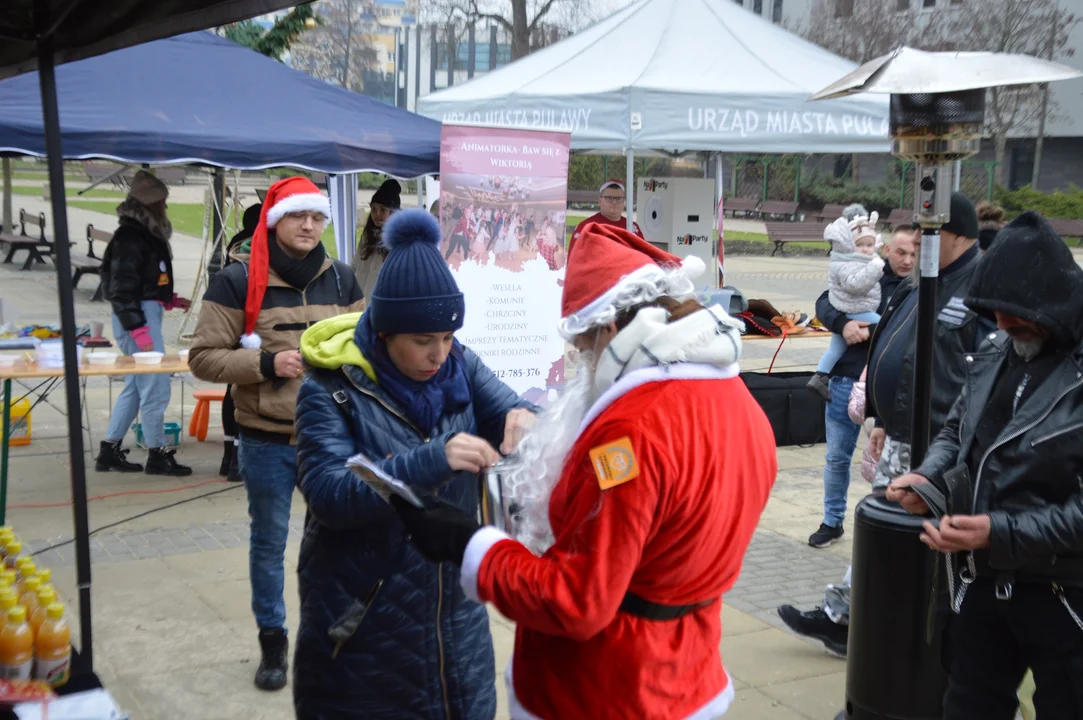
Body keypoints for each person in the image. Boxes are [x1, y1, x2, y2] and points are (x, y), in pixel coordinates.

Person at [392, 222, 778, 720]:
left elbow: (577, 601)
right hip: (686, 669)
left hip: (606, 686)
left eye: (583, 343)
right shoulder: (737, 401)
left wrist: (472, 546)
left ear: (612, 330)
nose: (582, 357)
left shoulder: (629, 433)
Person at [291, 209, 536, 719]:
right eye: (423, 341)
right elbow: (331, 495)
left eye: (447, 339)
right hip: (365, 627)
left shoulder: (460, 365)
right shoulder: (330, 390)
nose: (439, 355)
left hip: (457, 627)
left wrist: (526, 417)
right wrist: (430, 460)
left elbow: (519, 407)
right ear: (383, 334)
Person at [887, 211, 1083, 720]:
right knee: (969, 705)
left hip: (1064, 592)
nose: (999, 325)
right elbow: (958, 431)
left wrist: (998, 530)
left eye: (1012, 313)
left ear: (1051, 304)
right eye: (991, 312)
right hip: (983, 581)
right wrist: (929, 478)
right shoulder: (998, 349)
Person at [778, 195, 989, 656]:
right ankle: (851, 618)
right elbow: (899, 343)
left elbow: (980, 374)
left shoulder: (979, 285)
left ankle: (863, 621)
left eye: (925, 234)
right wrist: (881, 416)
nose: (916, 242)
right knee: (883, 526)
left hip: (939, 443)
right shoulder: (926, 280)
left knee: (902, 534)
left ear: (951, 234)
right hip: (902, 431)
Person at [188, 176, 364, 692]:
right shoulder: (237, 280)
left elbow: (365, 350)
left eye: (317, 217)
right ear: (274, 220)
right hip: (266, 439)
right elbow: (202, 358)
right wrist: (266, 362)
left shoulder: (344, 279)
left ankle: (331, 631)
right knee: (268, 544)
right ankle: (273, 642)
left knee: (338, 540)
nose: (309, 225)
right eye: (297, 216)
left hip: (331, 440)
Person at [803, 215, 915, 551]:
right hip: (844, 381)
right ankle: (832, 521)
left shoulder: (923, 288)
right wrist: (842, 323)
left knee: (886, 464)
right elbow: (825, 301)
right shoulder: (864, 269)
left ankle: (882, 522)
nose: (908, 260)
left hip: (887, 391)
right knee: (837, 458)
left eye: (914, 253)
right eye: (901, 252)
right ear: (886, 249)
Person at [95, 170, 192, 477]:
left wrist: (168, 298)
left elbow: (145, 279)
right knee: (156, 386)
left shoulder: (143, 233)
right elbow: (121, 289)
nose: (165, 205)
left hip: (142, 313)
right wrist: (139, 330)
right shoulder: (131, 237)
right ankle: (156, 453)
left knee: (137, 388)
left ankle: (108, 450)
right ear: (151, 203)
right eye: (161, 201)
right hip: (136, 319)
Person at [207, 202, 262, 482]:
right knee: (246, 391)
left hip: (232, 325)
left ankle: (229, 455)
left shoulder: (236, 244)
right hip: (249, 325)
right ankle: (237, 458)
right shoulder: (256, 248)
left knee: (233, 389)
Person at [807, 210, 885, 399]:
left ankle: (819, 377)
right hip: (854, 310)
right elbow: (855, 285)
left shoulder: (860, 261)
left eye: (870, 245)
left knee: (835, 350)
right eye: (861, 245)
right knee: (886, 324)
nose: (866, 250)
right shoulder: (850, 263)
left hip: (852, 312)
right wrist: (875, 268)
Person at [352, 178, 400, 299]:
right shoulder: (367, 235)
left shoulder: (399, 241)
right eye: (374, 208)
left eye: (383, 210)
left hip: (380, 305)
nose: (377, 214)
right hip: (358, 301)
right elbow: (354, 266)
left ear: (393, 213)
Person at [569, 179, 644, 251]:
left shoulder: (632, 228)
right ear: (600, 200)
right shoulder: (586, 227)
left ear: (624, 202)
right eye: (609, 198)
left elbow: (645, 257)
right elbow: (574, 258)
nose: (614, 202)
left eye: (619, 198)